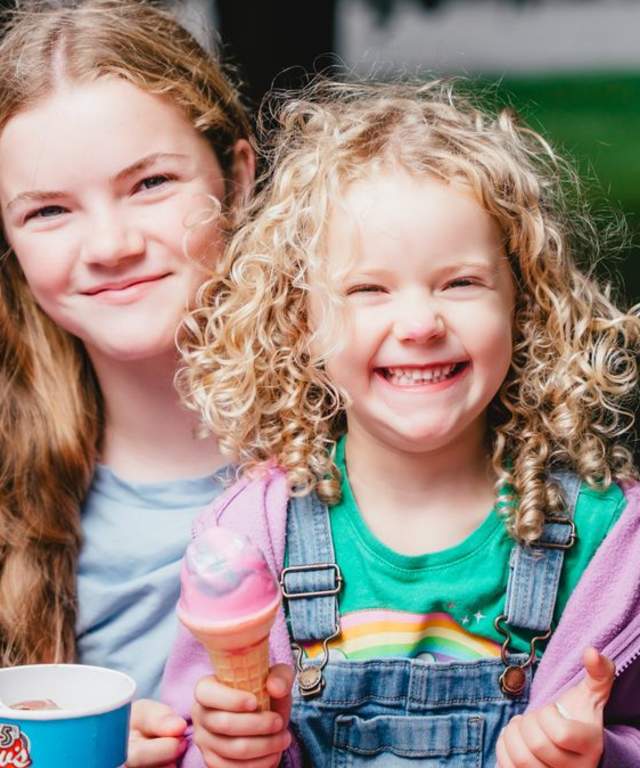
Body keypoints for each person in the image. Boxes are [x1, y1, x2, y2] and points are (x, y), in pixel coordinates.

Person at [162, 80, 640, 767]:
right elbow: (183, 739)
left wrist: (599, 754)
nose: (419, 324)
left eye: (460, 282)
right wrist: (226, 751)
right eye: (368, 290)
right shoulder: (250, 537)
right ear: (302, 324)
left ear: (523, 304)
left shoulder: (604, 539)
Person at [0, 1, 254, 764]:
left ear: (236, 179)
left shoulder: (381, 445)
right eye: (48, 210)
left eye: (149, 184)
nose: (110, 245)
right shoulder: (17, 489)